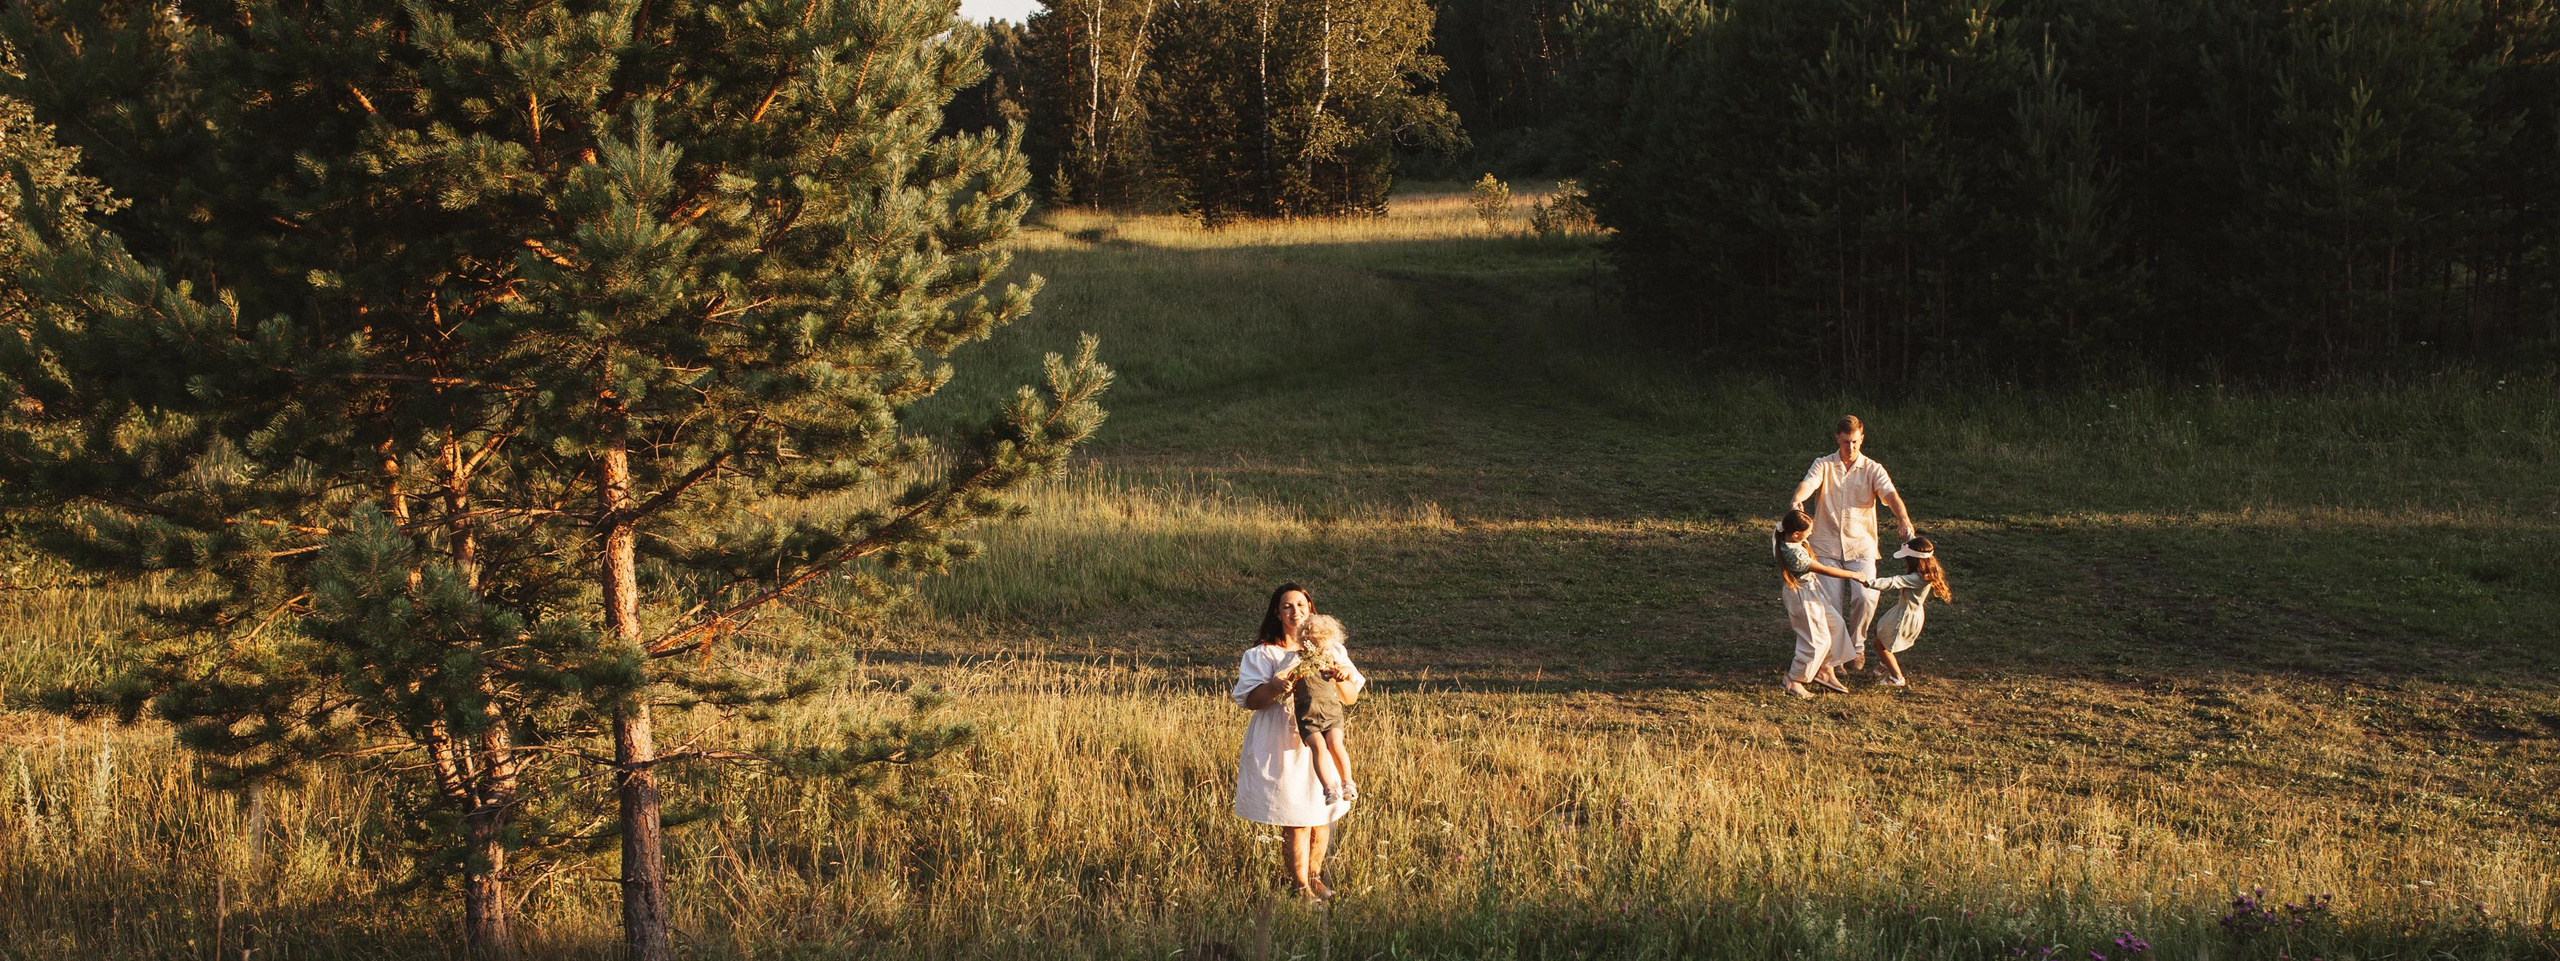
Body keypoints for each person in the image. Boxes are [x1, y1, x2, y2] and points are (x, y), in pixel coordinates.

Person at [1232, 583, 1363, 899]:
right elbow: (1251, 700)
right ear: (1277, 613)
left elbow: (1349, 697)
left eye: (1301, 605)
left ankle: (1315, 877)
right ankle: (1300, 886)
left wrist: (1343, 679)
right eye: (1288, 606)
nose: (1296, 612)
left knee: (1321, 817)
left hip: (1322, 733)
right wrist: (1277, 686)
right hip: (1282, 740)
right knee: (1296, 820)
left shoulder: (1330, 650)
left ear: (1311, 609)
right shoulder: (1264, 654)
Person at [1787, 415, 1916, 678]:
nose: (1851, 448)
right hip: (1825, 545)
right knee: (1830, 602)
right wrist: (1796, 501)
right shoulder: (1823, 464)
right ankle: (1836, 656)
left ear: (1862, 439)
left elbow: (1890, 494)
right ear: (1837, 438)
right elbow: (1808, 484)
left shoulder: (1872, 468)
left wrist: (1903, 518)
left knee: (1866, 596)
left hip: (1862, 545)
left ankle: (1857, 647)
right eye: (1846, 442)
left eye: (1855, 442)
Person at [1775, 509, 1870, 698]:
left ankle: (1825, 670)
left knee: (1835, 625)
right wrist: (1854, 574)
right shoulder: (1794, 554)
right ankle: (1793, 680)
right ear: (1795, 534)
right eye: (1808, 531)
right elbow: (1825, 570)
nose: (1811, 534)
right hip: (1801, 596)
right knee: (1817, 640)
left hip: (1813, 591)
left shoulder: (1785, 533)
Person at [1292, 614, 1364, 804]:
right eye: (1312, 642)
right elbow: (1282, 674)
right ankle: (1328, 788)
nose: (1318, 648)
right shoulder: (1296, 659)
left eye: (1322, 643)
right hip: (1308, 714)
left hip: (1331, 712)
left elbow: (1349, 672)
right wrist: (1283, 680)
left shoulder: (1331, 658)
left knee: (1335, 743)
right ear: (1303, 640)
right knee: (1319, 747)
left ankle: (1347, 782)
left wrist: (1343, 674)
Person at [1861, 536, 1952, 687]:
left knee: (1881, 645)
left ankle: (1897, 678)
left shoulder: (1916, 578)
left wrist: (1867, 582)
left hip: (1904, 617)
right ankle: (1885, 665)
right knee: (1879, 633)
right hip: (1902, 611)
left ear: (1913, 560)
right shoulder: (1925, 572)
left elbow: (1894, 581)